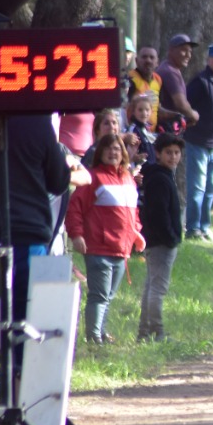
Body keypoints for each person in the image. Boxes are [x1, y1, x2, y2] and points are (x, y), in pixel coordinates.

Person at [0, 115, 74, 391]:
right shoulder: (36, 122)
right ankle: (17, 412)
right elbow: (59, 181)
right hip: (28, 240)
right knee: (26, 338)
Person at [67, 133, 145, 344]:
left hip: (121, 249)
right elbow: (75, 208)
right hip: (98, 247)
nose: (113, 153)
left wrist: (136, 233)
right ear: (100, 153)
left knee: (108, 296)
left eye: (117, 149)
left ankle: (100, 333)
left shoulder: (128, 179)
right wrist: (77, 235)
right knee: (99, 295)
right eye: (108, 149)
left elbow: (132, 213)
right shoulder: (92, 177)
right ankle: (93, 337)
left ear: (123, 154)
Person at [137, 132, 184, 343]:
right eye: (168, 153)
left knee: (151, 285)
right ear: (158, 153)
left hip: (157, 240)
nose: (173, 157)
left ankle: (144, 332)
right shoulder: (159, 179)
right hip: (161, 242)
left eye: (176, 153)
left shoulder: (162, 176)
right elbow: (159, 213)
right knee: (157, 288)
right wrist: (171, 238)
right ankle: (157, 331)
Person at [183, 44, 213, 240]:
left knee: (211, 187)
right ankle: (192, 228)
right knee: (197, 187)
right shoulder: (200, 82)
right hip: (198, 141)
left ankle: (204, 226)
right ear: (209, 60)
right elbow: (186, 106)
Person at [156, 33, 200, 132]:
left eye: (190, 51)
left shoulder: (170, 68)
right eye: (184, 50)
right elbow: (181, 104)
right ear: (171, 50)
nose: (188, 55)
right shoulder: (170, 71)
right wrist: (194, 115)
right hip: (165, 129)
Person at [127, 45, 162, 124]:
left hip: (151, 130)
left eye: (152, 57)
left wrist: (175, 115)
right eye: (144, 57)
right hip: (134, 129)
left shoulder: (158, 80)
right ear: (136, 61)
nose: (148, 60)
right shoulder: (130, 79)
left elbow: (158, 108)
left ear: (157, 62)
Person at [126, 94, 159, 172]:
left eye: (147, 110)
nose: (144, 113)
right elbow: (130, 154)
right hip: (139, 172)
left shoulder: (147, 129)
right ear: (134, 111)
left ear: (151, 111)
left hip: (151, 170)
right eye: (140, 110)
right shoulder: (133, 130)